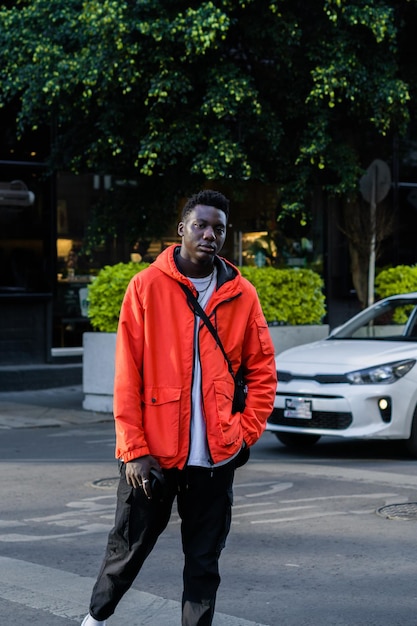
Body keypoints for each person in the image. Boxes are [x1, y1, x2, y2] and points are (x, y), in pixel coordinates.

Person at [81, 189, 277, 626]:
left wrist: (244, 433)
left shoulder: (242, 294)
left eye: (219, 229)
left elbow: (263, 370)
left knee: (204, 563)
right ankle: (95, 619)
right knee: (126, 551)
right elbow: (126, 374)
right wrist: (133, 449)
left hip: (214, 458)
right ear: (182, 229)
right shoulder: (147, 286)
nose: (210, 235)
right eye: (202, 225)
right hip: (152, 456)